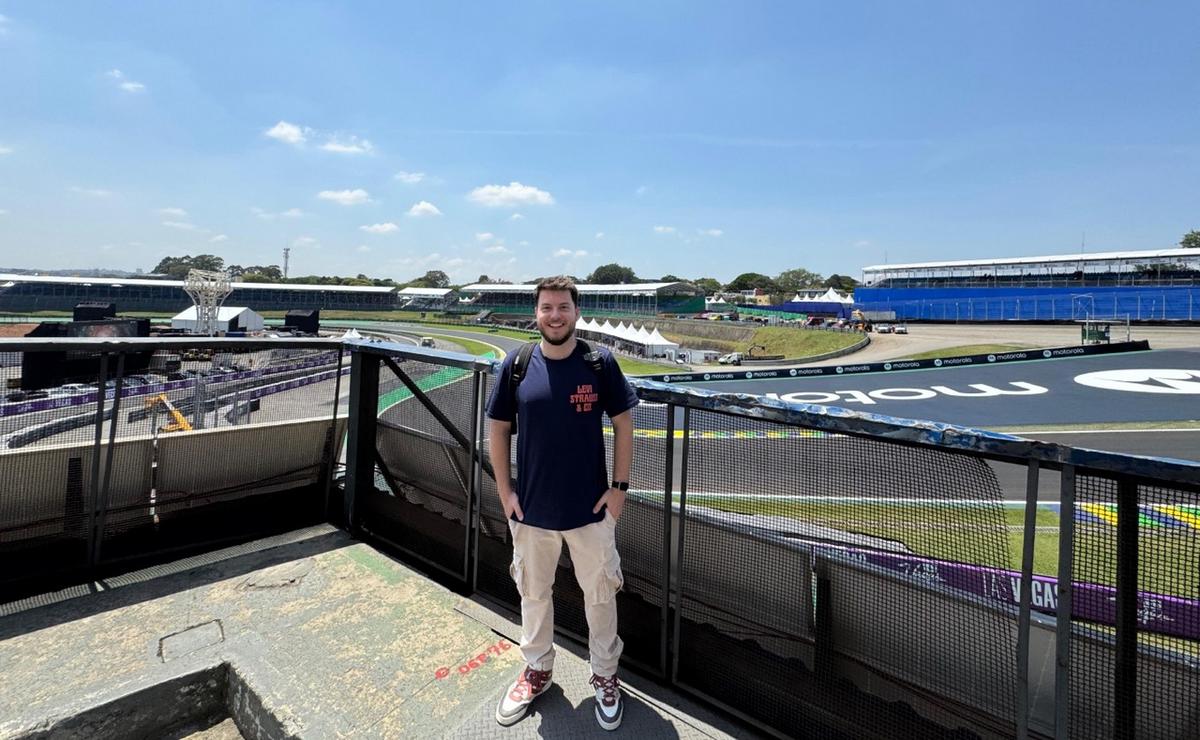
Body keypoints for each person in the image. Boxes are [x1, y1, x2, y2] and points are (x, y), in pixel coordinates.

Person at [487, 276, 638, 731]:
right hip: (531, 513)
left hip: (591, 512)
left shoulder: (599, 361)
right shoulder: (517, 363)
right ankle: (537, 670)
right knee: (533, 595)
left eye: (563, 307)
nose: (555, 315)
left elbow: (625, 423)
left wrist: (620, 489)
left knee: (600, 598)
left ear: (576, 312)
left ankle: (606, 675)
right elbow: (496, 429)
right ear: (536, 314)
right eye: (547, 307)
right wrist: (504, 492)